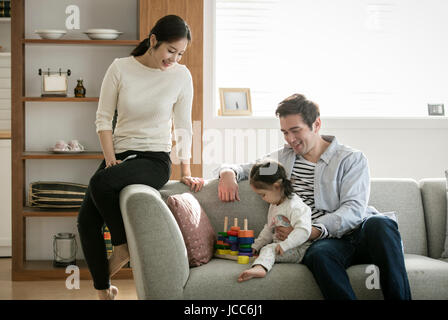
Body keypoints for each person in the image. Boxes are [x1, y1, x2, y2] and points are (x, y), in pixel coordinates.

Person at [217, 93, 411, 300]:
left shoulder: (350, 160)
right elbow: (249, 169)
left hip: (359, 232)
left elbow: (353, 209)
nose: (290, 139)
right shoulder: (282, 159)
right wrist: (228, 172)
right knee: (319, 254)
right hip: (327, 244)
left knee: (381, 224)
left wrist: (309, 231)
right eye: (284, 133)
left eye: (295, 131)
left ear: (316, 124)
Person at [77, 15, 204, 300]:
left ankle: (121, 245)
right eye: (170, 50)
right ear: (154, 40)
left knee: (100, 185)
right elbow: (103, 119)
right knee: (85, 221)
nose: (174, 58)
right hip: (119, 153)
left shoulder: (181, 76)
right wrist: (110, 161)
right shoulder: (120, 68)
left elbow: (183, 126)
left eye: (180, 53)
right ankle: (103, 290)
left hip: (154, 159)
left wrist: (186, 169)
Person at [237, 159, 312, 283]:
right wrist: (256, 246)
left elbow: (304, 231)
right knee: (266, 247)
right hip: (282, 246)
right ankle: (262, 257)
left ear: (277, 186)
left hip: (298, 248)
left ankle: (260, 268)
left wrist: (286, 245)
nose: (263, 199)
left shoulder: (295, 206)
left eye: (263, 194)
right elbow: (269, 228)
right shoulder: (274, 205)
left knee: (268, 249)